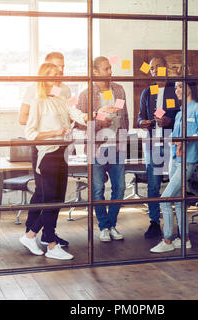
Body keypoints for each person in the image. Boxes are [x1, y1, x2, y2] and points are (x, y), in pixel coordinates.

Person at [20, 62, 118, 259]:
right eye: (55, 73)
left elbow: (79, 116)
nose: (59, 76)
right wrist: (55, 132)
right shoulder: (38, 102)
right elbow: (30, 133)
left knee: (57, 200)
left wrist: (100, 112)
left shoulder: (61, 98)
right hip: (47, 155)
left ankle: (31, 236)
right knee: (49, 201)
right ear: (44, 77)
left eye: (60, 73)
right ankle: (52, 246)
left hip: (62, 154)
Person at [18, 52, 71, 247]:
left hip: (61, 148)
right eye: (57, 67)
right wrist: (50, 128)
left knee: (58, 195)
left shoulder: (64, 90)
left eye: (63, 66)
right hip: (43, 148)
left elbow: (67, 116)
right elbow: (24, 120)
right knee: (43, 193)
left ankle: (49, 234)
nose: (61, 70)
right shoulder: (35, 90)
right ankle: (30, 232)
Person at [77, 56, 129, 242]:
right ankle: (103, 226)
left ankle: (111, 224)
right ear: (95, 72)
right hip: (96, 148)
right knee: (98, 188)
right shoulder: (85, 94)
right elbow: (79, 124)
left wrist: (122, 141)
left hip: (117, 147)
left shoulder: (119, 89)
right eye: (106, 69)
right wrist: (99, 122)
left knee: (120, 188)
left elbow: (124, 118)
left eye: (110, 68)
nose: (110, 72)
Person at [150, 81, 198, 253]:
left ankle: (167, 240)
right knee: (178, 202)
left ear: (189, 88)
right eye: (176, 87)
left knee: (165, 199)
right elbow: (175, 137)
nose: (177, 90)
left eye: (180, 86)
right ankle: (184, 239)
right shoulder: (180, 113)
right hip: (175, 160)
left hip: (187, 161)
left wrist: (185, 141)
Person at [137, 56, 180, 239]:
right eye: (152, 68)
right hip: (153, 141)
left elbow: (181, 114)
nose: (154, 70)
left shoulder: (175, 89)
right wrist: (143, 123)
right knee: (153, 185)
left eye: (158, 67)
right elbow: (139, 117)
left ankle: (176, 222)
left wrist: (170, 120)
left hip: (171, 141)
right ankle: (154, 222)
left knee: (174, 183)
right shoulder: (148, 91)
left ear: (166, 68)